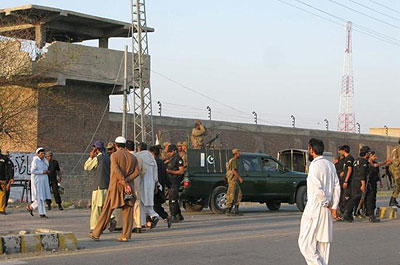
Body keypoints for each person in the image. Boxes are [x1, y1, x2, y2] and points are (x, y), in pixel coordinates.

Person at [298, 138, 341, 265]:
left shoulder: (314, 166)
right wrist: (334, 206)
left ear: (311, 149)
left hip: (315, 207)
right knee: (323, 245)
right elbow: (336, 186)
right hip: (326, 209)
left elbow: (318, 189)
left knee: (305, 243)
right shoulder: (330, 165)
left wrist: (327, 202)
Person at [90, 136, 139, 242]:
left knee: (107, 210)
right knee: (128, 212)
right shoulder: (133, 158)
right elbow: (137, 172)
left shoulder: (114, 156)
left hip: (116, 187)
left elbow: (116, 170)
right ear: (125, 145)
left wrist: (123, 181)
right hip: (129, 188)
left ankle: (96, 233)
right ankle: (125, 235)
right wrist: (127, 181)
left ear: (116, 145)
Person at [84, 141, 111, 231]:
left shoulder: (98, 158)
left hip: (99, 186)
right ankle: (107, 221)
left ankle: (95, 227)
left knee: (96, 208)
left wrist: (90, 157)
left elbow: (87, 167)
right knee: (104, 206)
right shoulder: (108, 157)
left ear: (96, 149)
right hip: (106, 185)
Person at [343, 146, 370, 222]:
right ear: (366, 153)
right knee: (355, 198)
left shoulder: (356, 160)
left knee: (354, 198)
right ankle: (347, 213)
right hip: (358, 182)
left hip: (354, 181)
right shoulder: (363, 162)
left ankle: (348, 213)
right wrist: (363, 184)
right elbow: (362, 173)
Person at [136, 142, 160, 229]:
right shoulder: (151, 157)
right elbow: (155, 171)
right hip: (151, 183)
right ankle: (144, 222)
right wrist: (156, 183)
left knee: (141, 202)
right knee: (148, 201)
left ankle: (152, 216)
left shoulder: (138, 156)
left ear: (139, 148)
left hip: (142, 182)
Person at [149, 145, 172, 228]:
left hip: (154, 186)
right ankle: (153, 220)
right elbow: (165, 175)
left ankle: (163, 217)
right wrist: (169, 185)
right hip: (160, 186)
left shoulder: (152, 162)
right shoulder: (161, 162)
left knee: (154, 204)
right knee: (155, 204)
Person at [126, 140, 145, 233]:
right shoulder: (140, 157)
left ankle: (125, 225)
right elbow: (143, 171)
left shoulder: (126, 157)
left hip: (128, 182)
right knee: (137, 203)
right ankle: (138, 225)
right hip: (138, 182)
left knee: (127, 203)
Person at [27, 148, 52, 218]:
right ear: (38, 154)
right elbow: (32, 171)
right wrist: (42, 172)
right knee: (40, 197)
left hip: (43, 181)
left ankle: (31, 207)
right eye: (41, 153)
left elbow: (47, 167)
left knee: (42, 197)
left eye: (43, 153)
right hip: (37, 181)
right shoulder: (35, 160)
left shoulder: (44, 161)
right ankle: (42, 213)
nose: (43, 155)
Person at [365, 151, 388, 222]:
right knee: (368, 199)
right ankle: (368, 213)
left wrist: (380, 182)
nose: (376, 157)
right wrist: (384, 163)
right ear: (370, 156)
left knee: (373, 198)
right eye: (374, 156)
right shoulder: (366, 163)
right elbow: (374, 165)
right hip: (368, 183)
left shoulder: (375, 163)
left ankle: (371, 213)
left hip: (374, 183)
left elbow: (378, 172)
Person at [166, 144, 185, 223]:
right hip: (170, 181)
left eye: (170, 152)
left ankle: (173, 215)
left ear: (174, 151)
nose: (169, 153)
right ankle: (179, 215)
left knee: (173, 199)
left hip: (175, 181)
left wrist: (170, 171)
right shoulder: (171, 159)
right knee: (173, 198)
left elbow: (181, 171)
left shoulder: (178, 159)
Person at [225, 149, 244, 216]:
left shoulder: (234, 160)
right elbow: (233, 170)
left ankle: (236, 209)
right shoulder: (233, 161)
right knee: (231, 194)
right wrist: (239, 178)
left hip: (234, 180)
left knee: (238, 194)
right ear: (235, 154)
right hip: (232, 180)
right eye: (238, 153)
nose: (240, 154)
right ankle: (228, 210)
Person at [338, 145, 354, 217]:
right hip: (343, 179)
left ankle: (346, 214)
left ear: (343, 151)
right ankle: (342, 212)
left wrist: (346, 181)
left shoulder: (349, 158)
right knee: (342, 196)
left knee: (346, 197)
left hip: (348, 181)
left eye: (340, 151)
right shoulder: (345, 159)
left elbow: (350, 169)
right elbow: (346, 169)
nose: (339, 152)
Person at [0, 150, 13, 215]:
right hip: (3, 179)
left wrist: (11, 178)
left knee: (3, 195)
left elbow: (10, 170)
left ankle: (2, 209)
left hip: (3, 180)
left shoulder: (5, 160)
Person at [388, 140, 400, 207]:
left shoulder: (394, 148)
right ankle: (393, 200)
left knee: (397, 185)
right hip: (396, 168)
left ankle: (393, 199)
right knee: (398, 185)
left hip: (392, 167)